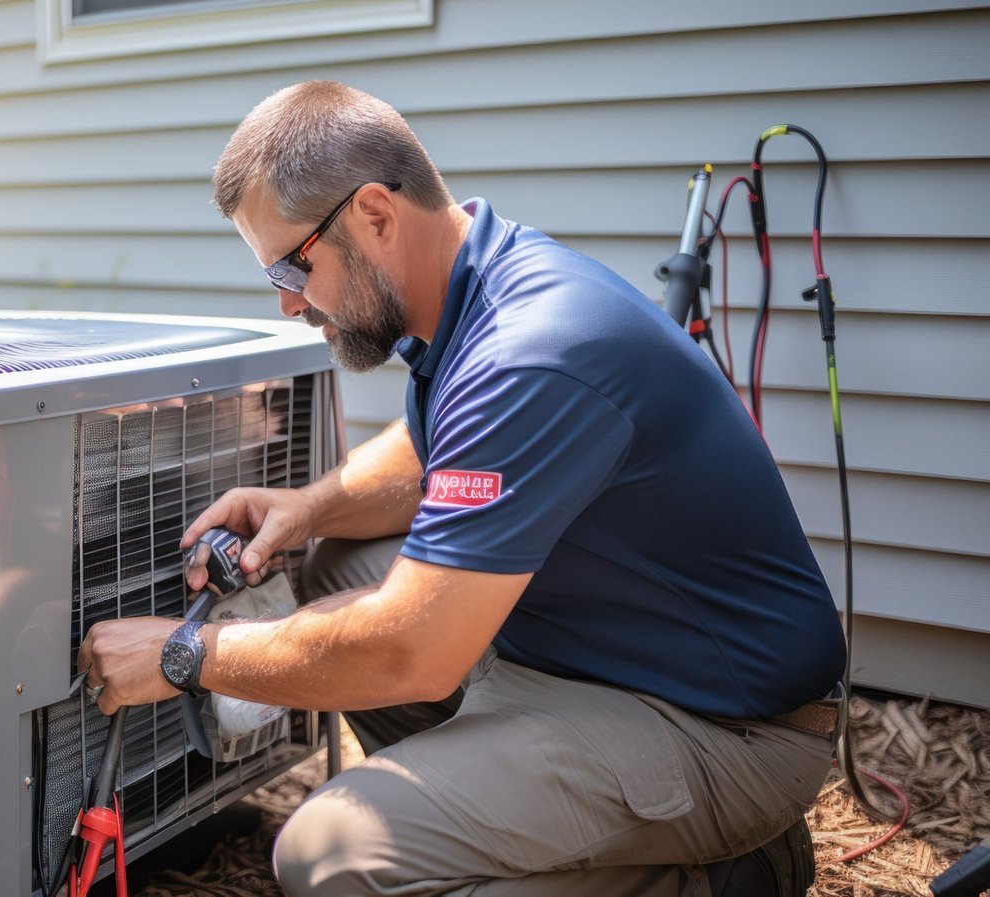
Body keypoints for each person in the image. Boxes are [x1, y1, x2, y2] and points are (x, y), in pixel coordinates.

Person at [76, 80, 846, 896]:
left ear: (374, 214)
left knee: (333, 853)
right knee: (340, 567)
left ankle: (733, 874)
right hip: (594, 652)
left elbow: (412, 651)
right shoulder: (476, 286)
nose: (287, 301)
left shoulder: (532, 351)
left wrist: (184, 654)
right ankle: (534, 822)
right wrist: (308, 509)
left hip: (720, 723)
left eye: (288, 264)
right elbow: (426, 451)